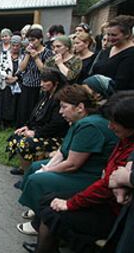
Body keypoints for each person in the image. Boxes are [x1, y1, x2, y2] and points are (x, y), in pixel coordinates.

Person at [25, 92, 134, 253]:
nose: (109, 127)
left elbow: (75, 165)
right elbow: (109, 177)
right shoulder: (124, 139)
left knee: (52, 211)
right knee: (47, 199)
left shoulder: (91, 126)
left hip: (112, 208)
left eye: (114, 123)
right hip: (106, 194)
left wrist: (70, 203)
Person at [17, 84, 118, 235]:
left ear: (80, 107)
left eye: (64, 107)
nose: (60, 111)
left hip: (89, 175)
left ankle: (40, 222)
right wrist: (46, 167)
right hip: (81, 167)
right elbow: (63, 151)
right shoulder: (81, 120)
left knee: (38, 179)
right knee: (35, 167)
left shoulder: (90, 126)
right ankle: (38, 208)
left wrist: (47, 171)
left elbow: (72, 165)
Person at [7, 69, 68, 176]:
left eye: (45, 82)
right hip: (41, 130)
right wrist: (27, 126)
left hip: (55, 136)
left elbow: (56, 125)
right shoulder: (46, 95)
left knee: (25, 143)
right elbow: (35, 114)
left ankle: (28, 175)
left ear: (56, 82)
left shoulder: (59, 99)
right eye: (41, 81)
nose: (41, 84)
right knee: (16, 136)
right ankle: (24, 168)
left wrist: (35, 133)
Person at [16, 29, 53, 127]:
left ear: (40, 39)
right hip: (26, 83)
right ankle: (22, 126)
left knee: (35, 109)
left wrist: (36, 58)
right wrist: (28, 55)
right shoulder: (27, 50)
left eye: (33, 40)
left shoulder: (47, 52)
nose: (31, 43)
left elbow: (45, 71)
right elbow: (22, 68)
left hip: (39, 86)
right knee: (24, 108)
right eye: (29, 40)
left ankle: (33, 127)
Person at [91, 15, 134, 90]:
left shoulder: (131, 54)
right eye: (108, 34)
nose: (110, 38)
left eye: (114, 35)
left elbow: (120, 84)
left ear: (127, 34)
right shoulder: (108, 49)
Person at [0, 35, 22, 129]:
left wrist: (15, 78)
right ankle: (2, 122)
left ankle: (11, 121)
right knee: (3, 101)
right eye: (13, 45)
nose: (15, 47)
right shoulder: (4, 54)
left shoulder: (23, 56)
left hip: (17, 82)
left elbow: (24, 69)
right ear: (11, 45)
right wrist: (7, 77)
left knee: (13, 102)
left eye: (17, 45)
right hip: (4, 82)